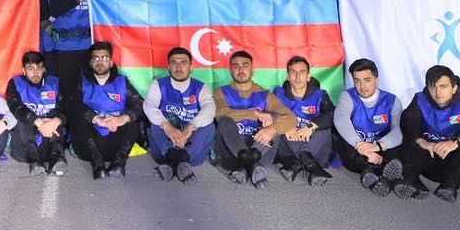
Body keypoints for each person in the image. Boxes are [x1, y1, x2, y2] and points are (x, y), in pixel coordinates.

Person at [394, 65, 460, 201]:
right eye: (433, 86)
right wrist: (422, 141)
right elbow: (409, 120)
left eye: (443, 86)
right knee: (411, 139)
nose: (437, 92)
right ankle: (411, 180)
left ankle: (450, 185)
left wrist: (456, 142)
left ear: (454, 88)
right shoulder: (420, 99)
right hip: (432, 159)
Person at [213, 50, 295, 187]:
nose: (240, 69)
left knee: (275, 118)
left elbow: (291, 118)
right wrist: (255, 114)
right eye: (236, 66)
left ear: (253, 70)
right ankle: (251, 164)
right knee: (225, 120)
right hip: (231, 152)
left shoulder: (265, 94)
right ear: (230, 71)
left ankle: (245, 166)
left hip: (260, 151)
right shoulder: (222, 91)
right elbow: (220, 113)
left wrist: (272, 129)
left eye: (245, 65)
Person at [69, 42, 144, 178]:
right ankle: (97, 163)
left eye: (104, 58)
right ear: (91, 63)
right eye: (96, 58)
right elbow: (72, 105)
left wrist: (122, 119)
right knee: (76, 117)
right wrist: (95, 118)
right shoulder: (83, 81)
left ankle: (119, 162)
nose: (100, 61)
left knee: (133, 120)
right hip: (89, 145)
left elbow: (139, 104)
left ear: (110, 62)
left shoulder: (121, 81)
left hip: (115, 141)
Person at [333, 58, 405, 196]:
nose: (362, 86)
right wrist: (363, 148)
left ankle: (377, 175)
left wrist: (378, 146)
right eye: (357, 81)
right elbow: (340, 121)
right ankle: (371, 171)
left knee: (400, 143)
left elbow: (399, 132)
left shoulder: (392, 101)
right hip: (357, 151)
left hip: (381, 148)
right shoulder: (347, 97)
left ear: (376, 80)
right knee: (342, 137)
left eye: (367, 80)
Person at [143, 47, 216, 183]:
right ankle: (179, 161)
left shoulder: (201, 87)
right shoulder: (158, 84)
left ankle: (172, 165)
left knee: (208, 126)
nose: (179, 67)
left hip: (191, 145)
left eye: (183, 63)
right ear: (168, 67)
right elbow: (149, 106)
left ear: (191, 67)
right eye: (174, 63)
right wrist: (167, 127)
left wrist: (191, 126)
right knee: (155, 123)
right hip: (165, 143)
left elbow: (209, 109)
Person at [45, 0, 104, 89]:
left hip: (90, 45)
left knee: (90, 87)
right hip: (66, 46)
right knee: (67, 88)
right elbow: (55, 10)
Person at [270, 56, 335, 185]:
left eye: (302, 72)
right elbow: (268, 114)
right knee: (275, 123)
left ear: (308, 76)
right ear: (288, 76)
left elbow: (332, 115)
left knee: (324, 125)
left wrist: (311, 126)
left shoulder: (320, 95)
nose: (298, 77)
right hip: (288, 149)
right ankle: (309, 164)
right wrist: (286, 126)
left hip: (314, 148)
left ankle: (300, 161)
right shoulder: (278, 93)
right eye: (293, 72)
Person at [6, 51, 69, 175]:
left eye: (39, 68)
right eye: (30, 69)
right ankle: (33, 159)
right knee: (24, 116)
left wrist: (54, 121)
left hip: (52, 134)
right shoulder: (16, 83)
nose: (35, 73)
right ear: (24, 71)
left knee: (57, 118)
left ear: (44, 69)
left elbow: (65, 107)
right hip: (26, 137)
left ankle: (56, 156)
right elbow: (16, 107)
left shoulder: (55, 83)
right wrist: (39, 121)